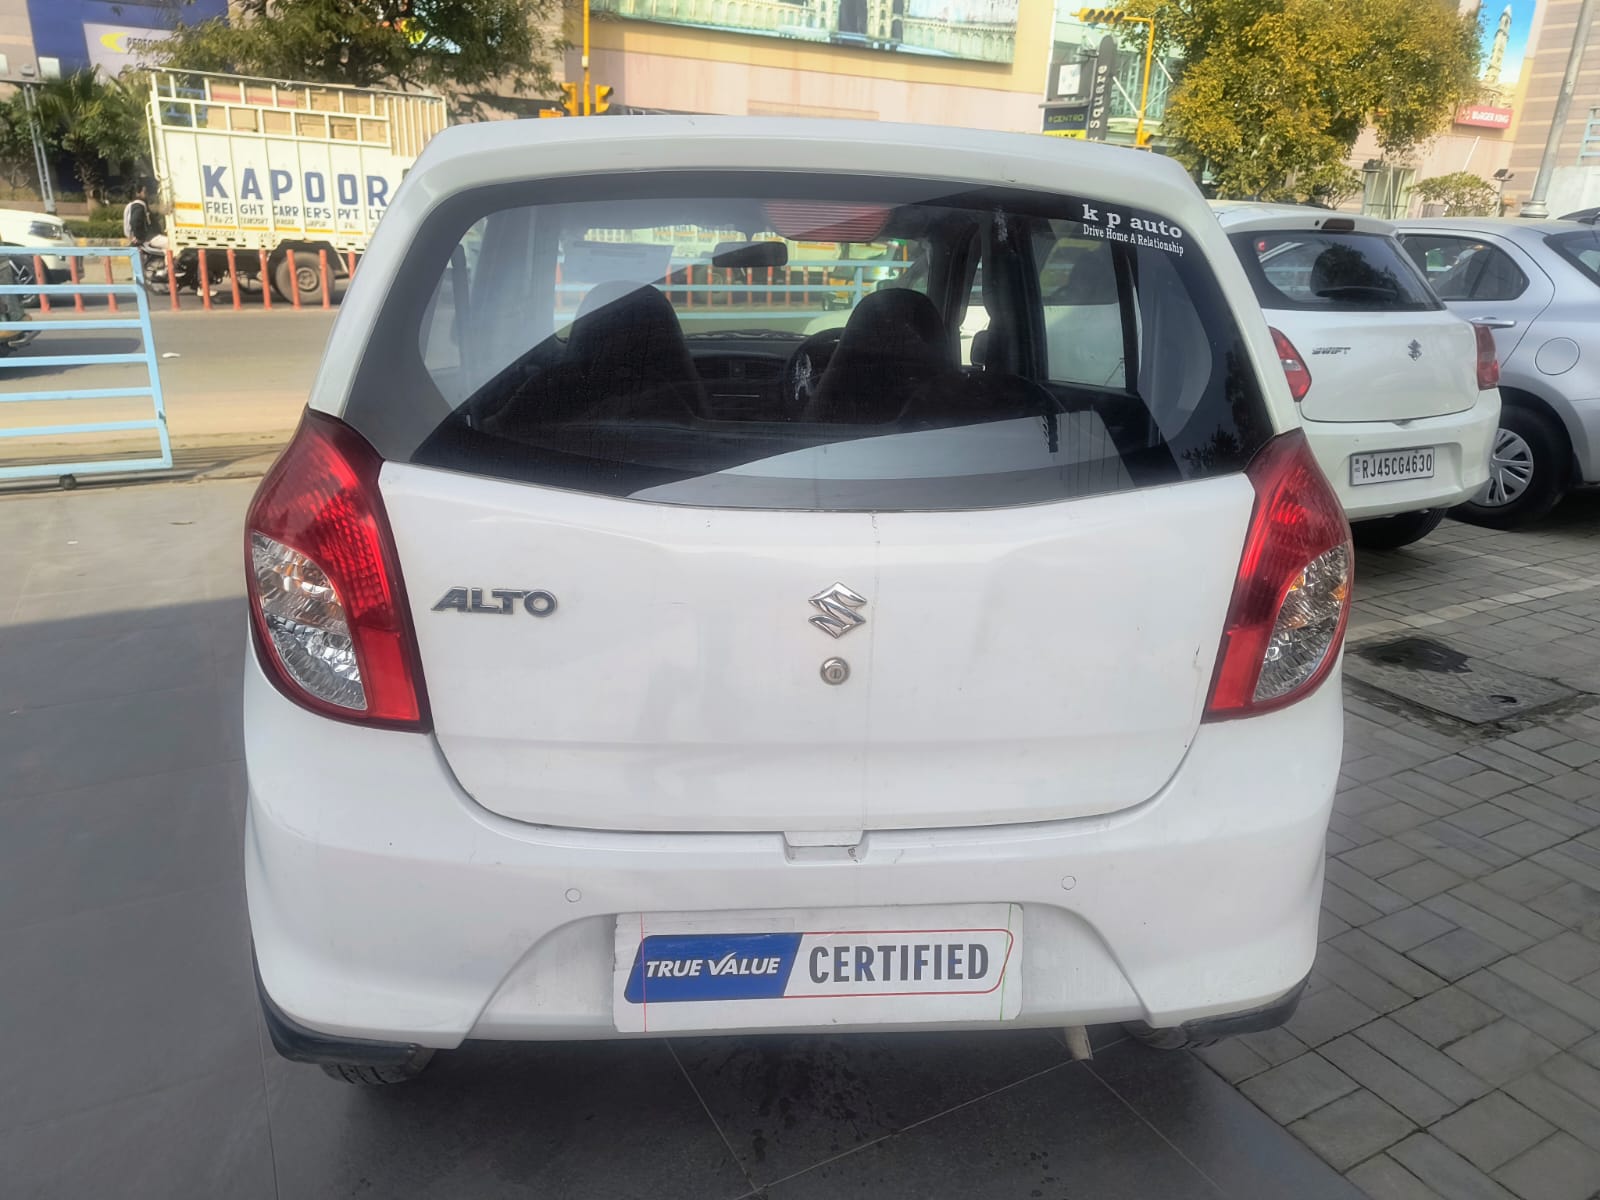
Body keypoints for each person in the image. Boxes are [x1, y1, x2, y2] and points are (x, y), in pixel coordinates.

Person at [123, 183, 167, 253]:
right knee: (171, 243)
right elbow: (135, 222)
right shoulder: (138, 205)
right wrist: (140, 238)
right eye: (144, 192)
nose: (147, 194)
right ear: (138, 193)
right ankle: (169, 263)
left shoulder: (131, 205)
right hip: (146, 239)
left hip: (140, 238)